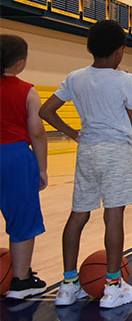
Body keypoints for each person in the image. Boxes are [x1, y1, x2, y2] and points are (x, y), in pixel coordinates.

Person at [39, 20, 132, 308]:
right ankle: (112, 285)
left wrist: (72, 133)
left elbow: (46, 110)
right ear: (120, 51)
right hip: (115, 152)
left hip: (87, 150)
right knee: (114, 216)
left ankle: (68, 285)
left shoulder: (75, 77)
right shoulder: (124, 79)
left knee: (78, 215)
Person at [0, 34, 48, 299]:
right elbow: (38, 133)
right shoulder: (27, 91)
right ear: (20, 63)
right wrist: (42, 168)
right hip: (14, 157)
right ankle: (20, 281)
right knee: (21, 221)